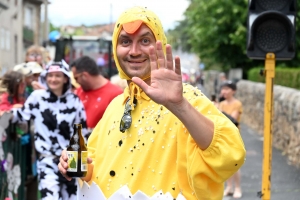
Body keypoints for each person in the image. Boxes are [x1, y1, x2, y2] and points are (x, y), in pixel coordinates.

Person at [58, 6, 246, 200]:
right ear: (115, 49)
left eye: (145, 40)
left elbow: (230, 155)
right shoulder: (117, 105)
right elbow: (97, 166)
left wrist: (179, 106)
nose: (134, 51)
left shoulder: (186, 99)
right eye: (125, 42)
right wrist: (76, 167)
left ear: (160, 44)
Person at [7, 60, 89, 200]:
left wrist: (83, 161)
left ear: (65, 78)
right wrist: (4, 114)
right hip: (48, 160)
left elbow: (82, 132)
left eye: (58, 75)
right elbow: (20, 116)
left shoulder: (74, 100)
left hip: (72, 159)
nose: (53, 79)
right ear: (45, 77)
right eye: (50, 75)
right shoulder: (37, 98)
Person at [70, 56, 123, 129]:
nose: (76, 82)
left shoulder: (116, 94)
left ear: (84, 75)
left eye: (76, 78)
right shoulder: (78, 92)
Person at [218, 81, 243, 199]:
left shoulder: (237, 104)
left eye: (227, 89)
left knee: (234, 164)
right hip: (223, 136)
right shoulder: (221, 104)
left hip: (233, 137)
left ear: (233, 91)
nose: (224, 91)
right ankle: (229, 187)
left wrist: (217, 110)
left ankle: (237, 187)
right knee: (225, 163)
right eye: (223, 89)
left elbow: (232, 119)